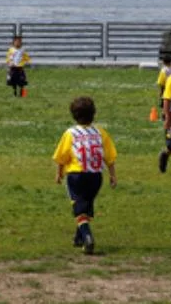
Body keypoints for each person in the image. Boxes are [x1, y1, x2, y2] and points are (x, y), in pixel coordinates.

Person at [52, 96, 117, 255]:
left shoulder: (70, 133)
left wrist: (59, 173)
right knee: (86, 205)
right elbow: (110, 157)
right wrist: (113, 175)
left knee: (78, 207)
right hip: (96, 176)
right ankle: (78, 237)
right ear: (94, 114)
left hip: (76, 174)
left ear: (73, 115)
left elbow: (62, 156)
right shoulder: (100, 132)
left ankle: (87, 236)